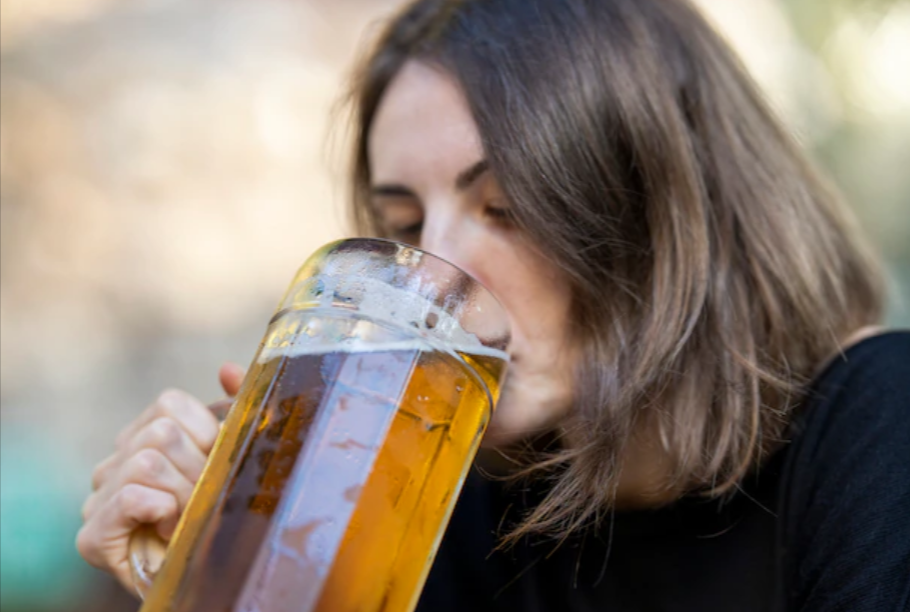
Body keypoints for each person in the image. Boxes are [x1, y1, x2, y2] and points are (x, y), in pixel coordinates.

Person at [77, 0, 910, 610]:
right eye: (402, 221)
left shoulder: (879, 430)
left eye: (505, 208)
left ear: (662, 205)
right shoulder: (444, 513)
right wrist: (198, 572)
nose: (434, 264)